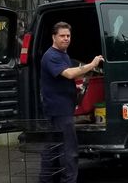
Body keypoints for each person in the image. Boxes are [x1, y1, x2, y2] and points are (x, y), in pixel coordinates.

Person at [39, 21, 104, 183]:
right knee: (68, 150)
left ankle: (46, 180)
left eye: (68, 36)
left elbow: (71, 75)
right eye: (62, 36)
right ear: (54, 37)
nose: (66, 39)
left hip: (61, 109)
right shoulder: (52, 56)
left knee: (52, 148)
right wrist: (91, 65)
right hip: (58, 110)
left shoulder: (63, 54)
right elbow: (68, 74)